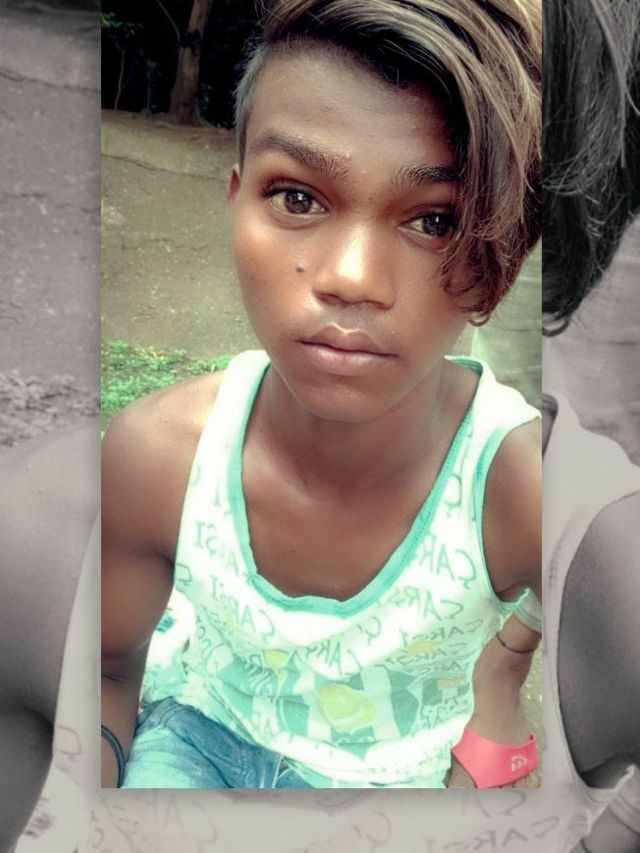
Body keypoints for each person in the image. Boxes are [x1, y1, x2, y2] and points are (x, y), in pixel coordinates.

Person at [101, 0, 542, 791]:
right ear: (235, 199)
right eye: (298, 198)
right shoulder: (159, 458)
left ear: (495, 258)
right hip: (198, 730)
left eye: (434, 220)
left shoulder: (520, 486)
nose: (351, 278)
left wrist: (507, 665)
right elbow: (105, 671)